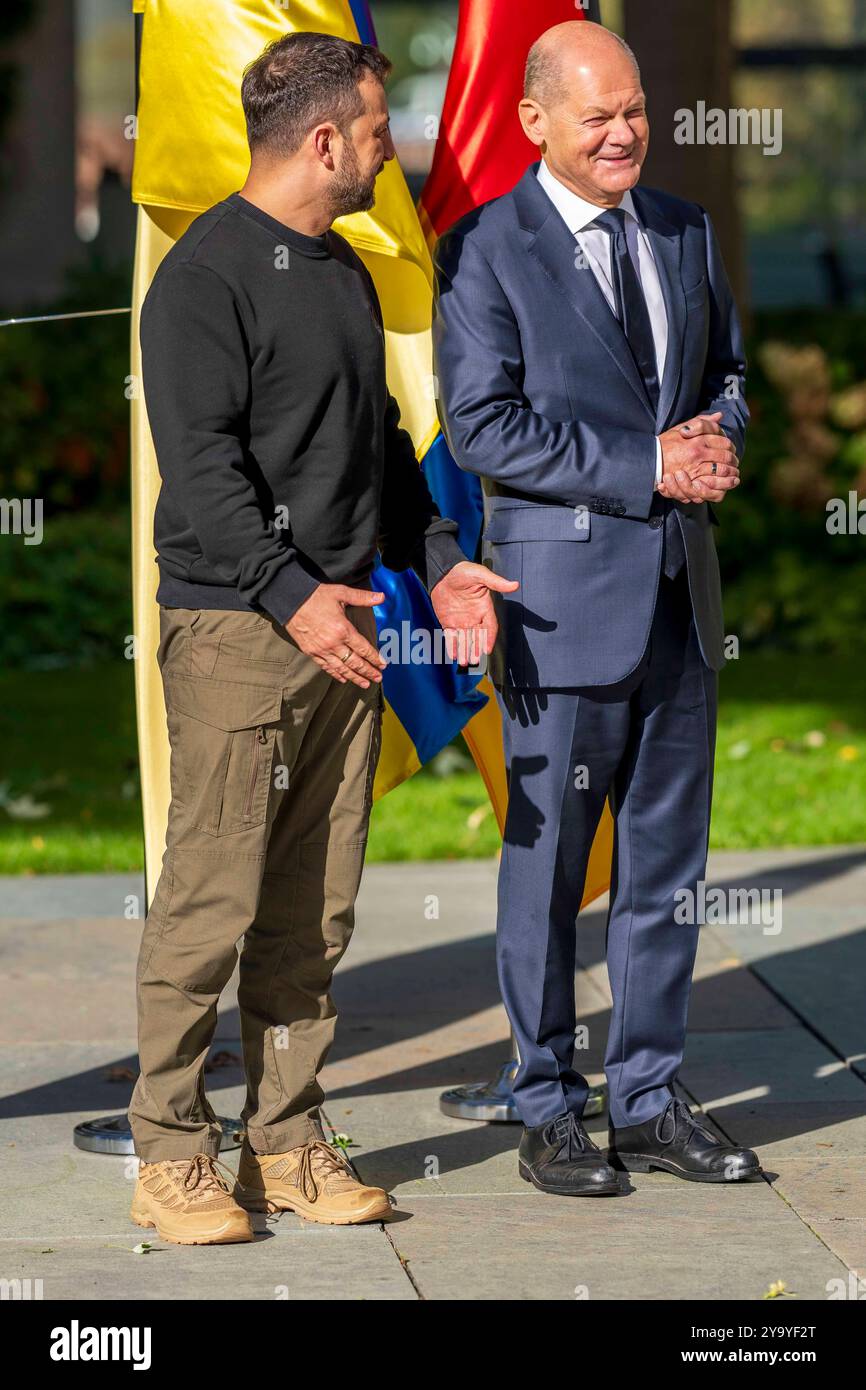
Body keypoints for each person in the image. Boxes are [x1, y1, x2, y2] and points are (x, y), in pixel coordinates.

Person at [129, 31, 513, 1244]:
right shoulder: (203, 278)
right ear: (324, 138)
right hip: (240, 628)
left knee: (315, 910)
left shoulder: (342, 270)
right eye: (375, 123)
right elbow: (199, 474)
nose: (389, 145)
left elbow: (383, 456)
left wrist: (441, 568)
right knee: (211, 897)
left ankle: (286, 1139)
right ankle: (170, 1154)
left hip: (345, 624)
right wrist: (290, 591)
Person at [433, 20, 761, 1196]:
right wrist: (646, 466)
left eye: (633, 112)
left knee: (666, 864)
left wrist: (717, 437)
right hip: (559, 607)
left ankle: (650, 1093)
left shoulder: (681, 228)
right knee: (551, 868)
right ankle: (543, 1101)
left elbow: (723, 370)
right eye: (596, 117)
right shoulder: (483, 250)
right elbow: (483, 428)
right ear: (534, 124)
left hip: (679, 598)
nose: (624, 133)